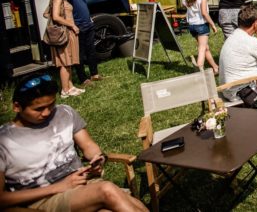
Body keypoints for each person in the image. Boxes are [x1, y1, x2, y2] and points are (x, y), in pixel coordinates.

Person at [0, 73, 148, 211]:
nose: (46, 112)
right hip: (42, 199)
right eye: (38, 109)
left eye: (51, 105)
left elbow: (89, 146)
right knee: (107, 190)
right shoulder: (4, 140)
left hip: (81, 186)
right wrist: (59, 187)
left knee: (133, 205)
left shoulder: (64, 113)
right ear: (17, 106)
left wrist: (98, 158)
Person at [45, 0, 83, 98]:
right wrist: (71, 24)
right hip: (64, 34)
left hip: (67, 32)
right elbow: (55, 17)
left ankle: (70, 87)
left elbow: (46, 14)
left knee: (68, 61)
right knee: (65, 63)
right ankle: (65, 90)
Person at [66, 0, 100, 86]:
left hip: (88, 25)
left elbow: (83, 5)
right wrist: (73, 25)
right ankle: (83, 79)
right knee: (79, 54)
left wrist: (89, 18)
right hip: (77, 27)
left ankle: (94, 74)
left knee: (91, 50)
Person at [183, 0, 219, 74]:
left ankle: (215, 67)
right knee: (202, 49)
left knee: (205, 47)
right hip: (201, 25)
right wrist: (212, 24)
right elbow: (204, 13)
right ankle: (199, 72)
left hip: (192, 26)